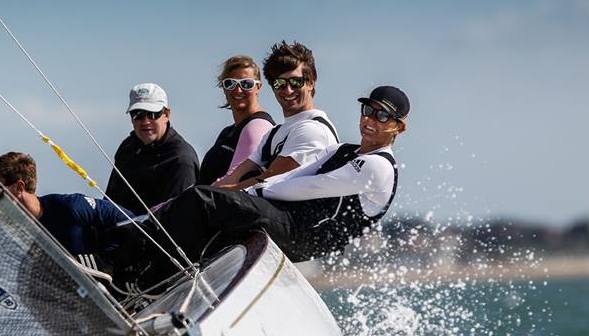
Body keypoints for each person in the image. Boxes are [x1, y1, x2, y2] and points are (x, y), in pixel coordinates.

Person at [111, 85, 409, 272]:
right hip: (288, 219)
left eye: (382, 116)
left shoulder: (377, 167)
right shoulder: (344, 149)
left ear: (398, 127)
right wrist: (247, 193)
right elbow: (299, 173)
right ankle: (146, 275)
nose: (370, 120)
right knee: (214, 217)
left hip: (304, 235)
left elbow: (310, 187)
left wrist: (253, 192)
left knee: (205, 200)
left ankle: (116, 255)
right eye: (368, 111)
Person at [214, 41, 338, 191]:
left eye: (296, 82)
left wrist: (219, 194)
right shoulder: (274, 133)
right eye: (280, 83)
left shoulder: (313, 130)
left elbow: (270, 179)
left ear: (311, 83)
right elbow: (233, 177)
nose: (288, 90)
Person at [0, 152, 131, 257]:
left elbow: (132, 221)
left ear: (19, 187)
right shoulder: (14, 231)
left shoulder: (69, 206)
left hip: (121, 283)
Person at [105, 83, 199, 215]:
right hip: (117, 229)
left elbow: (178, 218)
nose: (145, 121)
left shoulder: (181, 159)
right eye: (137, 114)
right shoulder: (128, 146)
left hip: (151, 233)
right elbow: (110, 200)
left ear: (166, 115)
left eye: (152, 114)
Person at [198, 55, 275, 185]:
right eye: (230, 83)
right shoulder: (227, 132)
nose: (238, 90)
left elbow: (234, 180)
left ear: (258, 87)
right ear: (223, 88)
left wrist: (191, 198)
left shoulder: (257, 127)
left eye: (246, 84)